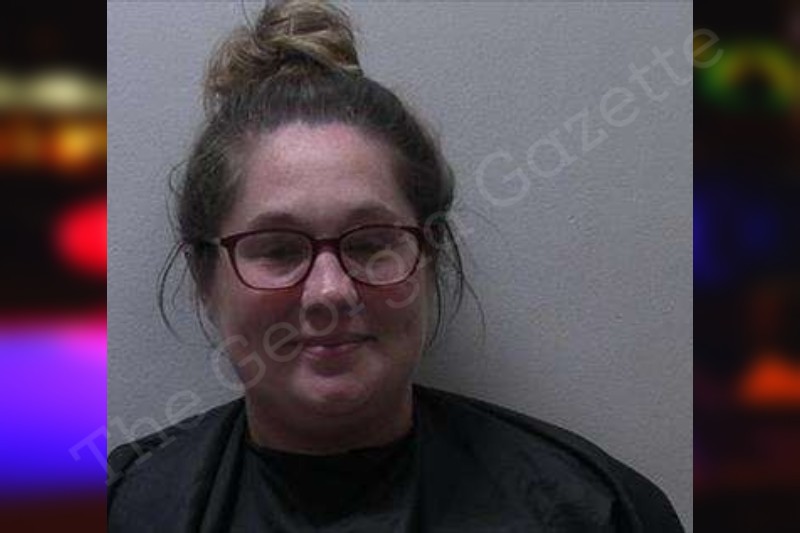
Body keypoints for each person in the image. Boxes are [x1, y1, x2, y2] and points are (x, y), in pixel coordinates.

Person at [107, 1, 685, 531]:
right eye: (279, 249)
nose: (330, 292)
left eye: (370, 245)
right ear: (203, 278)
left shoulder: (595, 512)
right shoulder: (124, 510)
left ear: (430, 256)